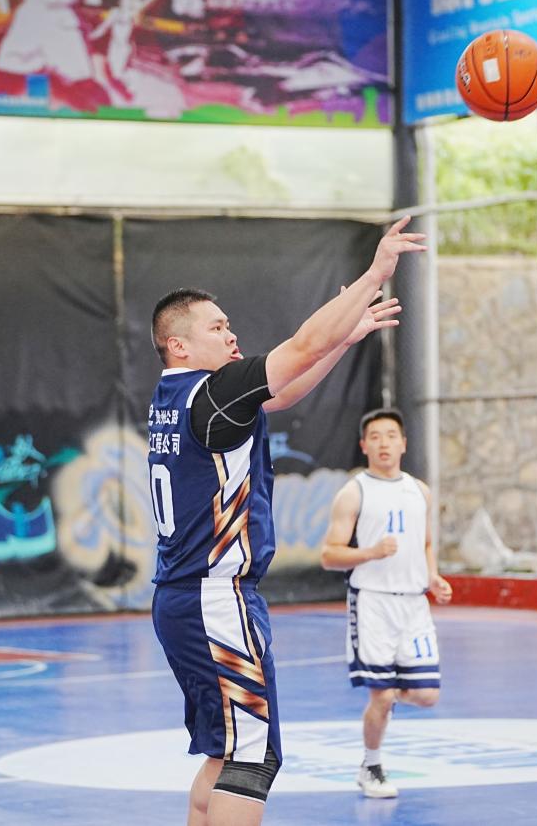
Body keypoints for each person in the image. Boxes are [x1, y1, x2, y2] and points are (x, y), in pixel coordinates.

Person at [147, 218, 424, 826]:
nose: (231, 334)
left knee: (224, 753)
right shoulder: (213, 393)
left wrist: (344, 339)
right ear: (179, 346)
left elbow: (283, 392)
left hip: (182, 599)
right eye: (216, 328)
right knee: (254, 757)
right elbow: (300, 347)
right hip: (216, 600)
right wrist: (373, 275)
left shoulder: (178, 399)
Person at [319, 408, 453, 799]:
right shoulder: (354, 492)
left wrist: (432, 576)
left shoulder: (419, 491)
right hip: (373, 603)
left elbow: (425, 542)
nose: (384, 444)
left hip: (414, 604)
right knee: (380, 694)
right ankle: (371, 765)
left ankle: (388, 697)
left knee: (427, 695)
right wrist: (371, 552)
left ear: (404, 444)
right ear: (364, 445)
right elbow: (329, 555)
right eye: (375, 437)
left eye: (391, 436)